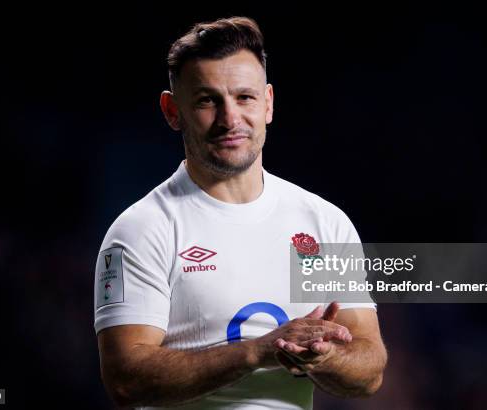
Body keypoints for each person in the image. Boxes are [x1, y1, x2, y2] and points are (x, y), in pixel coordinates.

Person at [94, 16, 387, 409]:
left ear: (268, 103)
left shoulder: (321, 221)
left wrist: (326, 357)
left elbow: (370, 371)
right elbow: (126, 381)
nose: (230, 119)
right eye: (207, 100)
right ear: (171, 110)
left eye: (244, 97)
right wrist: (258, 352)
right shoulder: (142, 230)